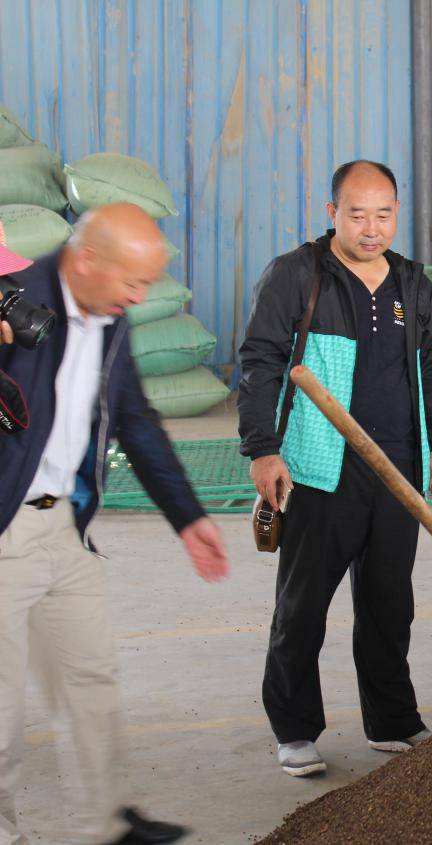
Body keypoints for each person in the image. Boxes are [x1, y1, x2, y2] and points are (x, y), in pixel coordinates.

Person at [0, 206, 229, 845]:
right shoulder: (13, 301)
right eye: (133, 281)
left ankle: (109, 826)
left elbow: (134, 419)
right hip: (4, 532)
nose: (139, 297)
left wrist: (187, 517)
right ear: (87, 259)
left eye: (148, 285)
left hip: (64, 527)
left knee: (89, 679)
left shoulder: (109, 319)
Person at [238, 160, 432, 777]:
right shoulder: (298, 275)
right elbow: (259, 360)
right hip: (319, 467)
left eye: (383, 214)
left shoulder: (412, 281)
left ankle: (392, 721)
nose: (371, 227)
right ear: (332, 213)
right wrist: (262, 448)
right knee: (303, 604)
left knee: (390, 602)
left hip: (399, 467)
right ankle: (294, 728)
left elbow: (431, 368)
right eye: (356, 214)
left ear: (397, 213)